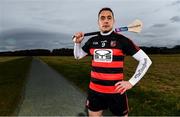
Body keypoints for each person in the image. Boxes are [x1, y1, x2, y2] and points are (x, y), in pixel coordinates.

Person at [73, 7, 152, 116]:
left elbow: (146, 60)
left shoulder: (122, 40)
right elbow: (77, 56)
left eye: (109, 18)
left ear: (113, 21)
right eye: (102, 18)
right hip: (95, 92)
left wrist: (131, 82)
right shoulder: (92, 41)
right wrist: (77, 43)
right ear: (98, 22)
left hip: (116, 93)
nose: (106, 20)